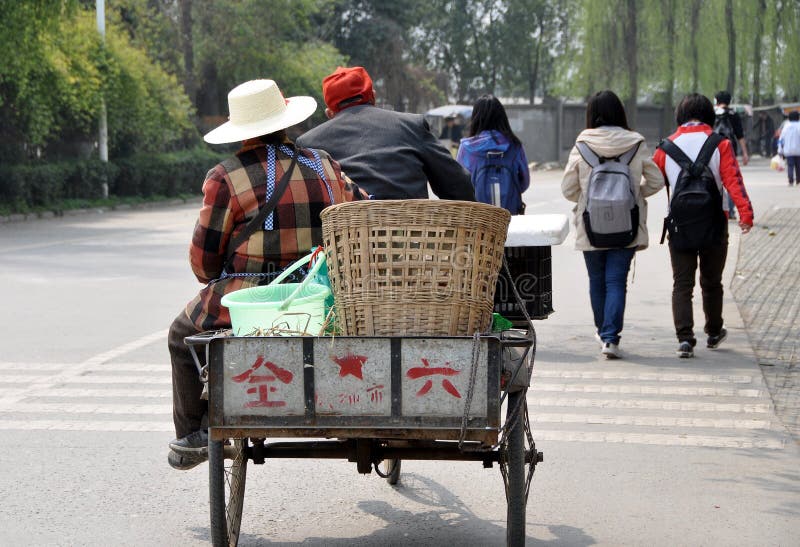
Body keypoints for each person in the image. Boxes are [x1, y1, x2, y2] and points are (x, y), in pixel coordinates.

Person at [167, 79, 367, 470]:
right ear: (285, 121)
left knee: (180, 335)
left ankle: (196, 433)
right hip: (321, 298)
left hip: (253, 301)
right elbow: (359, 214)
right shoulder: (325, 164)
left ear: (240, 132)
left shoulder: (226, 177)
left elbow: (204, 265)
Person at [561, 90, 665, 359]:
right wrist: (631, 195)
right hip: (626, 222)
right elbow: (656, 181)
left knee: (597, 280)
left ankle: (602, 331)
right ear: (620, 112)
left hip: (590, 223)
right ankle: (611, 338)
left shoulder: (583, 144)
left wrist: (588, 199)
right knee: (616, 281)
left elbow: (567, 188)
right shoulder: (636, 143)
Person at [653, 93, 754, 358]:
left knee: (682, 284)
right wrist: (745, 214)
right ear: (708, 115)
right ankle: (713, 332)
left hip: (679, 225)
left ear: (680, 115)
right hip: (714, 223)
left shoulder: (666, 146)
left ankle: (685, 339)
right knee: (712, 282)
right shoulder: (720, 144)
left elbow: (652, 182)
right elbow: (734, 181)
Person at [296, 66, 474, 201]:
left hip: (343, 246)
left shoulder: (308, 143)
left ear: (330, 113)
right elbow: (458, 186)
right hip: (412, 241)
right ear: (373, 97)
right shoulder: (412, 125)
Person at [456, 94, 530, 215]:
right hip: (510, 215)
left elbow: (459, 184)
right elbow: (524, 182)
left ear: (475, 118)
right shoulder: (514, 145)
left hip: (477, 217)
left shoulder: (467, 148)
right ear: (502, 117)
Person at [714, 91, 749, 220]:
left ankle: (716, 210)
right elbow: (740, 135)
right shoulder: (734, 115)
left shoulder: (711, 113)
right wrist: (745, 153)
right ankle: (730, 210)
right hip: (730, 151)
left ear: (716, 100)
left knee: (714, 180)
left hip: (712, 150)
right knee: (731, 181)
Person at [778, 111, 800, 186]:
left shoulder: (786, 127)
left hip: (788, 151)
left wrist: (780, 150)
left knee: (790, 166)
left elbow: (781, 139)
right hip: (798, 150)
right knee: (798, 166)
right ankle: (798, 180)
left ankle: (790, 181)